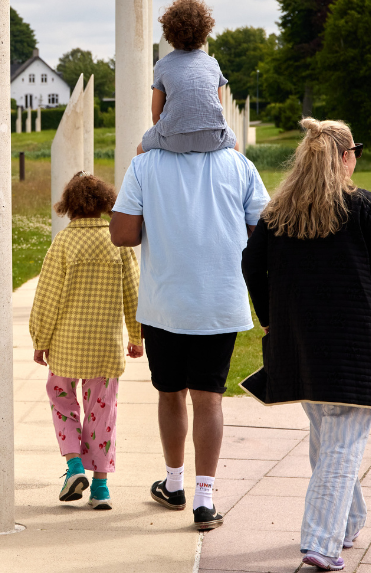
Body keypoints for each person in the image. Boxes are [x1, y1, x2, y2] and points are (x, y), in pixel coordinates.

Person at [240, 118, 371, 572]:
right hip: (353, 350)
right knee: (340, 446)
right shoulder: (363, 207)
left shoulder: (278, 213)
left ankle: (348, 523)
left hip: (296, 348)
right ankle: (321, 542)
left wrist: (270, 321)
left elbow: (250, 266)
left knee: (327, 439)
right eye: (358, 153)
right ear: (346, 157)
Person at [110, 122, 270, 531]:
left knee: (170, 394)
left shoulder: (144, 165)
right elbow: (264, 234)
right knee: (209, 398)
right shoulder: (239, 164)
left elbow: (123, 234)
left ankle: (174, 483)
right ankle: (204, 499)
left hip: (165, 302)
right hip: (219, 301)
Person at [31, 173, 141, 510]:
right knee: (102, 413)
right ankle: (101, 488)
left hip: (66, 346)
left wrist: (40, 338)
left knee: (61, 398)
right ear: (106, 203)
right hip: (105, 348)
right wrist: (137, 336)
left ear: (70, 207)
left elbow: (47, 297)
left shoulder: (63, 243)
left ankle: (74, 466)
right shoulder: (117, 243)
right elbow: (134, 293)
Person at [138, 0, 237, 155]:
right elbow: (218, 106)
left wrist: (165, 135)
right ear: (205, 30)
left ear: (169, 31)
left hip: (175, 140)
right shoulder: (212, 64)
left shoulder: (162, 65)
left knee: (139, 149)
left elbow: (155, 113)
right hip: (211, 138)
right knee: (236, 147)